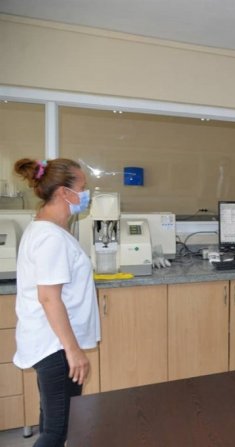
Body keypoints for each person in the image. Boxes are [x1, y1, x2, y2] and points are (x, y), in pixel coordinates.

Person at [12, 158, 100, 447]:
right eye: (82, 188)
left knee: (52, 424)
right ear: (64, 192)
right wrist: (73, 351)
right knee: (57, 432)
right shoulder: (51, 237)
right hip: (56, 346)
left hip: (50, 342)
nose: (86, 194)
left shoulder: (45, 229)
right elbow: (49, 298)